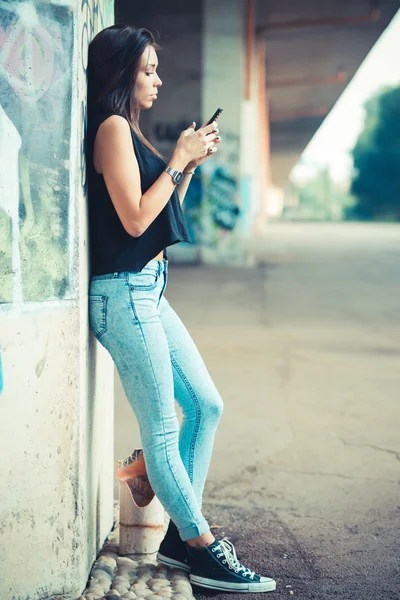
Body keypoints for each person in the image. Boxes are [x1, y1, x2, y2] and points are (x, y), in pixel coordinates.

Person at [86, 24, 276, 593]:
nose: (158, 79)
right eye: (147, 69)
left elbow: (161, 220)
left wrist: (187, 166)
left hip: (148, 288)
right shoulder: (112, 129)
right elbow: (135, 221)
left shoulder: (132, 133)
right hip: (121, 293)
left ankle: (176, 538)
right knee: (164, 429)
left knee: (207, 406)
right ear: (121, 74)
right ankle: (200, 545)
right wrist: (177, 160)